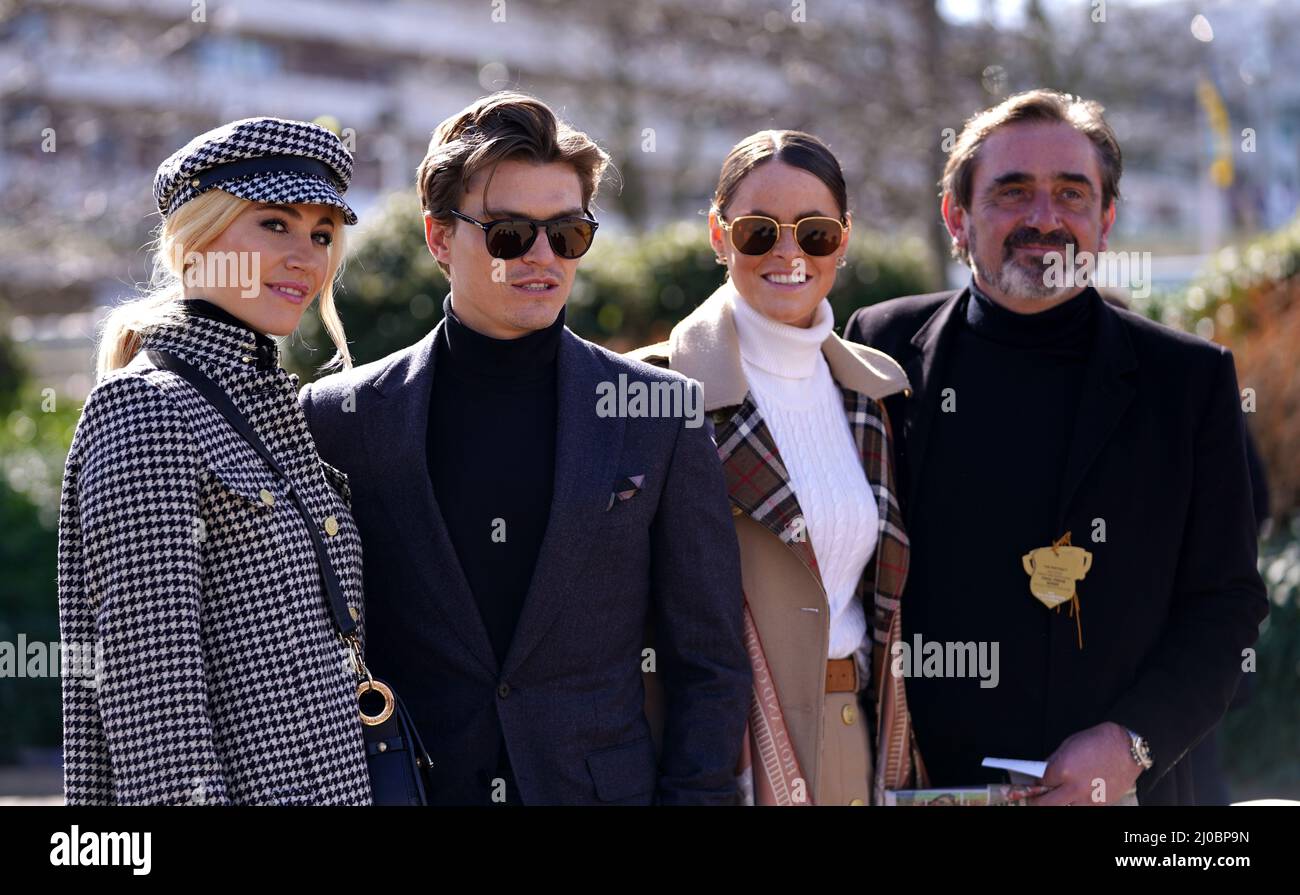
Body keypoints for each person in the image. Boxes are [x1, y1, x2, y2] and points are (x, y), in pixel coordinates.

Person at [299, 92, 751, 805]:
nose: (543, 256)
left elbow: (711, 661)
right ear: (440, 237)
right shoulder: (339, 418)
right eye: (509, 232)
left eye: (568, 232)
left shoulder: (659, 411)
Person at [843, 89, 1269, 805]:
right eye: (1013, 192)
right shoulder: (878, 348)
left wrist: (1134, 742)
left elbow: (1224, 605)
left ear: (1105, 220)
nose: (1044, 218)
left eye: (1071, 194)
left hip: (1133, 795)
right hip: (917, 783)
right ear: (957, 216)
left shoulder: (1188, 379)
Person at [58, 117, 372, 804]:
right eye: (275, 225)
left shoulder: (270, 403)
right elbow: (155, 707)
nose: (307, 257)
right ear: (195, 238)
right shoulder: (147, 408)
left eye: (321, 234)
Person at [631, 130, 924, 805]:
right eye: (759, 231)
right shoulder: (652, 389)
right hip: (717, 757)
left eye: (815, 233)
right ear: (718, 233)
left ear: (843, 240)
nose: (789, 253)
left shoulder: (874, 391)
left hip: (859, 740)